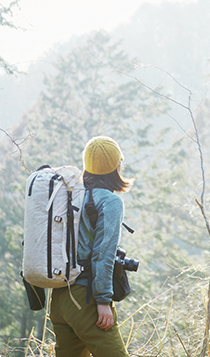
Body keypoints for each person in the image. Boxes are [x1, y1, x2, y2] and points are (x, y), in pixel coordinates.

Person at [49, 136, 132, 357]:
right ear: (115, 166)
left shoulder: (69, 195)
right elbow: (104, 255)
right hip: (85, 299)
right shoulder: (110, 202)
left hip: (59, 299)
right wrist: (103, 301)